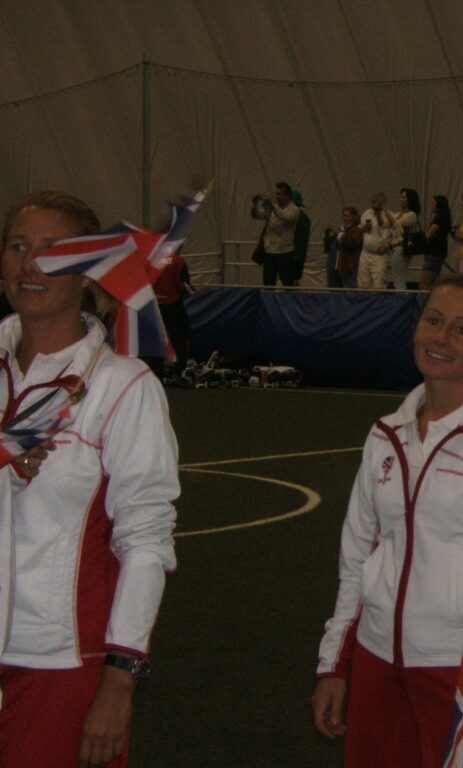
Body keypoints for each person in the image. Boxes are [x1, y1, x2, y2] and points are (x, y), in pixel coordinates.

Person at [311, 273, 463, 768]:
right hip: (378, 660)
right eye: (434, 321)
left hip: (461, 668)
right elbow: (356, 556)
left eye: (462, 330)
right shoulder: (385, 434)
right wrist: (334, 663)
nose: (441, 338)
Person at [0, 191, 179, 768]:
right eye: (18, 246)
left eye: (54, 251)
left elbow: (146, 540)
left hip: (58, 664)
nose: (30, 265)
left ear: (88, 271)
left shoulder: (123, 386)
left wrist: (120, 678)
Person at [150, 247, 194, 380]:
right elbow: (183, 285)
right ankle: (178, 372)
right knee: (180, 339)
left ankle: (156, 372)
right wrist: (194, 290)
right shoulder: (178, 261)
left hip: (154, 305)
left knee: (156, 340)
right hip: (172, 305)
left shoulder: (151, 259)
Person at [258, 181, 302, 287]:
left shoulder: (295, 210)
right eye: (275, 194)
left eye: (279, 194)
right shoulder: (273, 208)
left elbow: (286, 217)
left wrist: (273, 207)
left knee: (287, 284)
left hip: (285, 252)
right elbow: (259, 215)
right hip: (270, 251)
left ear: (287, 195)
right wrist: (258, 204)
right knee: (268, 284)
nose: (276, 197)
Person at [357, 192, 398, 289]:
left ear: (382, 203)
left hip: (380, 256)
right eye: (372, 202)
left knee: (378, 284)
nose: (373, 204)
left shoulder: (390, 215)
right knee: (363, 284)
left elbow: (394, 235)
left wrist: (387, 246)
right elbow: (360, 230)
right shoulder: (366, 214)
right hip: (366, 253)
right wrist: (364, 229)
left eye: (376, 202)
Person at [420, 195, 451, 291]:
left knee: (424, 286)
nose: (431, 205)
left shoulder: (439, 218)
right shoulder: (445, 218)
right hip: (439, 254)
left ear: (439, 205)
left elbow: (428, 234)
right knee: (435, 285)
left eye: (433, 203)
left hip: (434, 254)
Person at [391, 188, 420, 290]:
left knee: (399, 278)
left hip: (402, 247)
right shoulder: (398, 214)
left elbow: (397, 224)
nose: (401, 199)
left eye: (403, 197)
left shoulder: (412, 215)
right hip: (395, 248)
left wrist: (384, 210)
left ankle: (401, 296)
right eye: (401, 197)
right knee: (396, 277)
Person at [335, 207, 363, 289]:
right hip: (343, 268)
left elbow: (352, 244)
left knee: (352, 290)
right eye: (343, 216)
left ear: (353, 217)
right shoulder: (344, 230)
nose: (344, 218)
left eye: (346, 216)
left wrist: (340, 235)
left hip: (351, 267)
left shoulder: (356, 230)